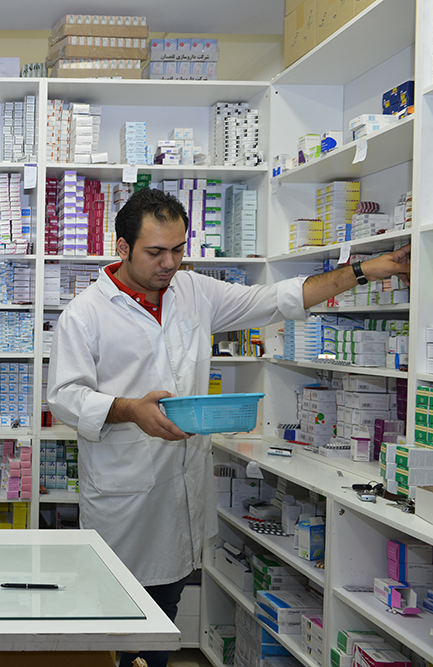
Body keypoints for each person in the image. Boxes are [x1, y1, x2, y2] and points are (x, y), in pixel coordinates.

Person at [46, 188, 410, 667]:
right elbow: (65, 397)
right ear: (122, 247)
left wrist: (365, 270)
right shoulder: (85, 313)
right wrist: (131, 409)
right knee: (116, 623)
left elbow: (276, 298)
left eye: (178, 249)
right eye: (156, 252)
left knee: (164, 615)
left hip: (180, 491)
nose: (169, 263)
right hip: (124, 500)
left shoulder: (194, 291)